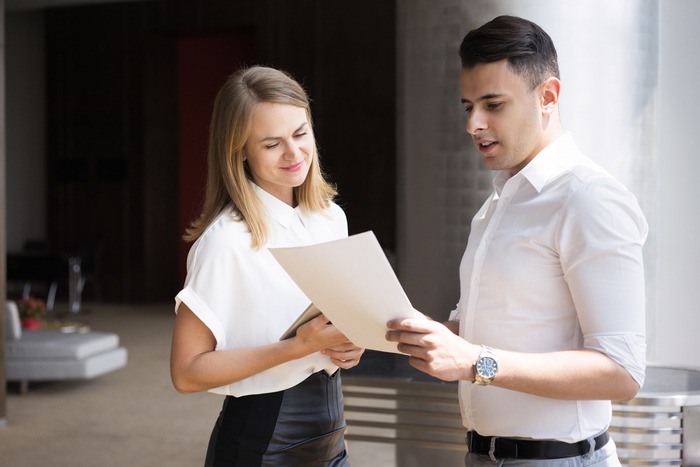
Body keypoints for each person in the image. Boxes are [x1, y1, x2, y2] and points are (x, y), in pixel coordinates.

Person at [385, 15, 647, 466]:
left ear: (547, 96)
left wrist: (474, 364)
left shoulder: (589, 200)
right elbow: (483, 334)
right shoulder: (495, 206)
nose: (474, 124)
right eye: (468, 106)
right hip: (483, 457)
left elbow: (622, 372)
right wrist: (400, 331)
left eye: (493, 104)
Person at [170, 65, 364, 466]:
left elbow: (334, 325)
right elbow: (186, 373)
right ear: (240, 150)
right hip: (261, 443)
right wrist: (296, 348)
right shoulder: (225, 241)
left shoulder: (331, 218)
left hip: (331, 434)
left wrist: (349, 346)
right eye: (272, 144)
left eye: (300, 133)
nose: (294, 154)